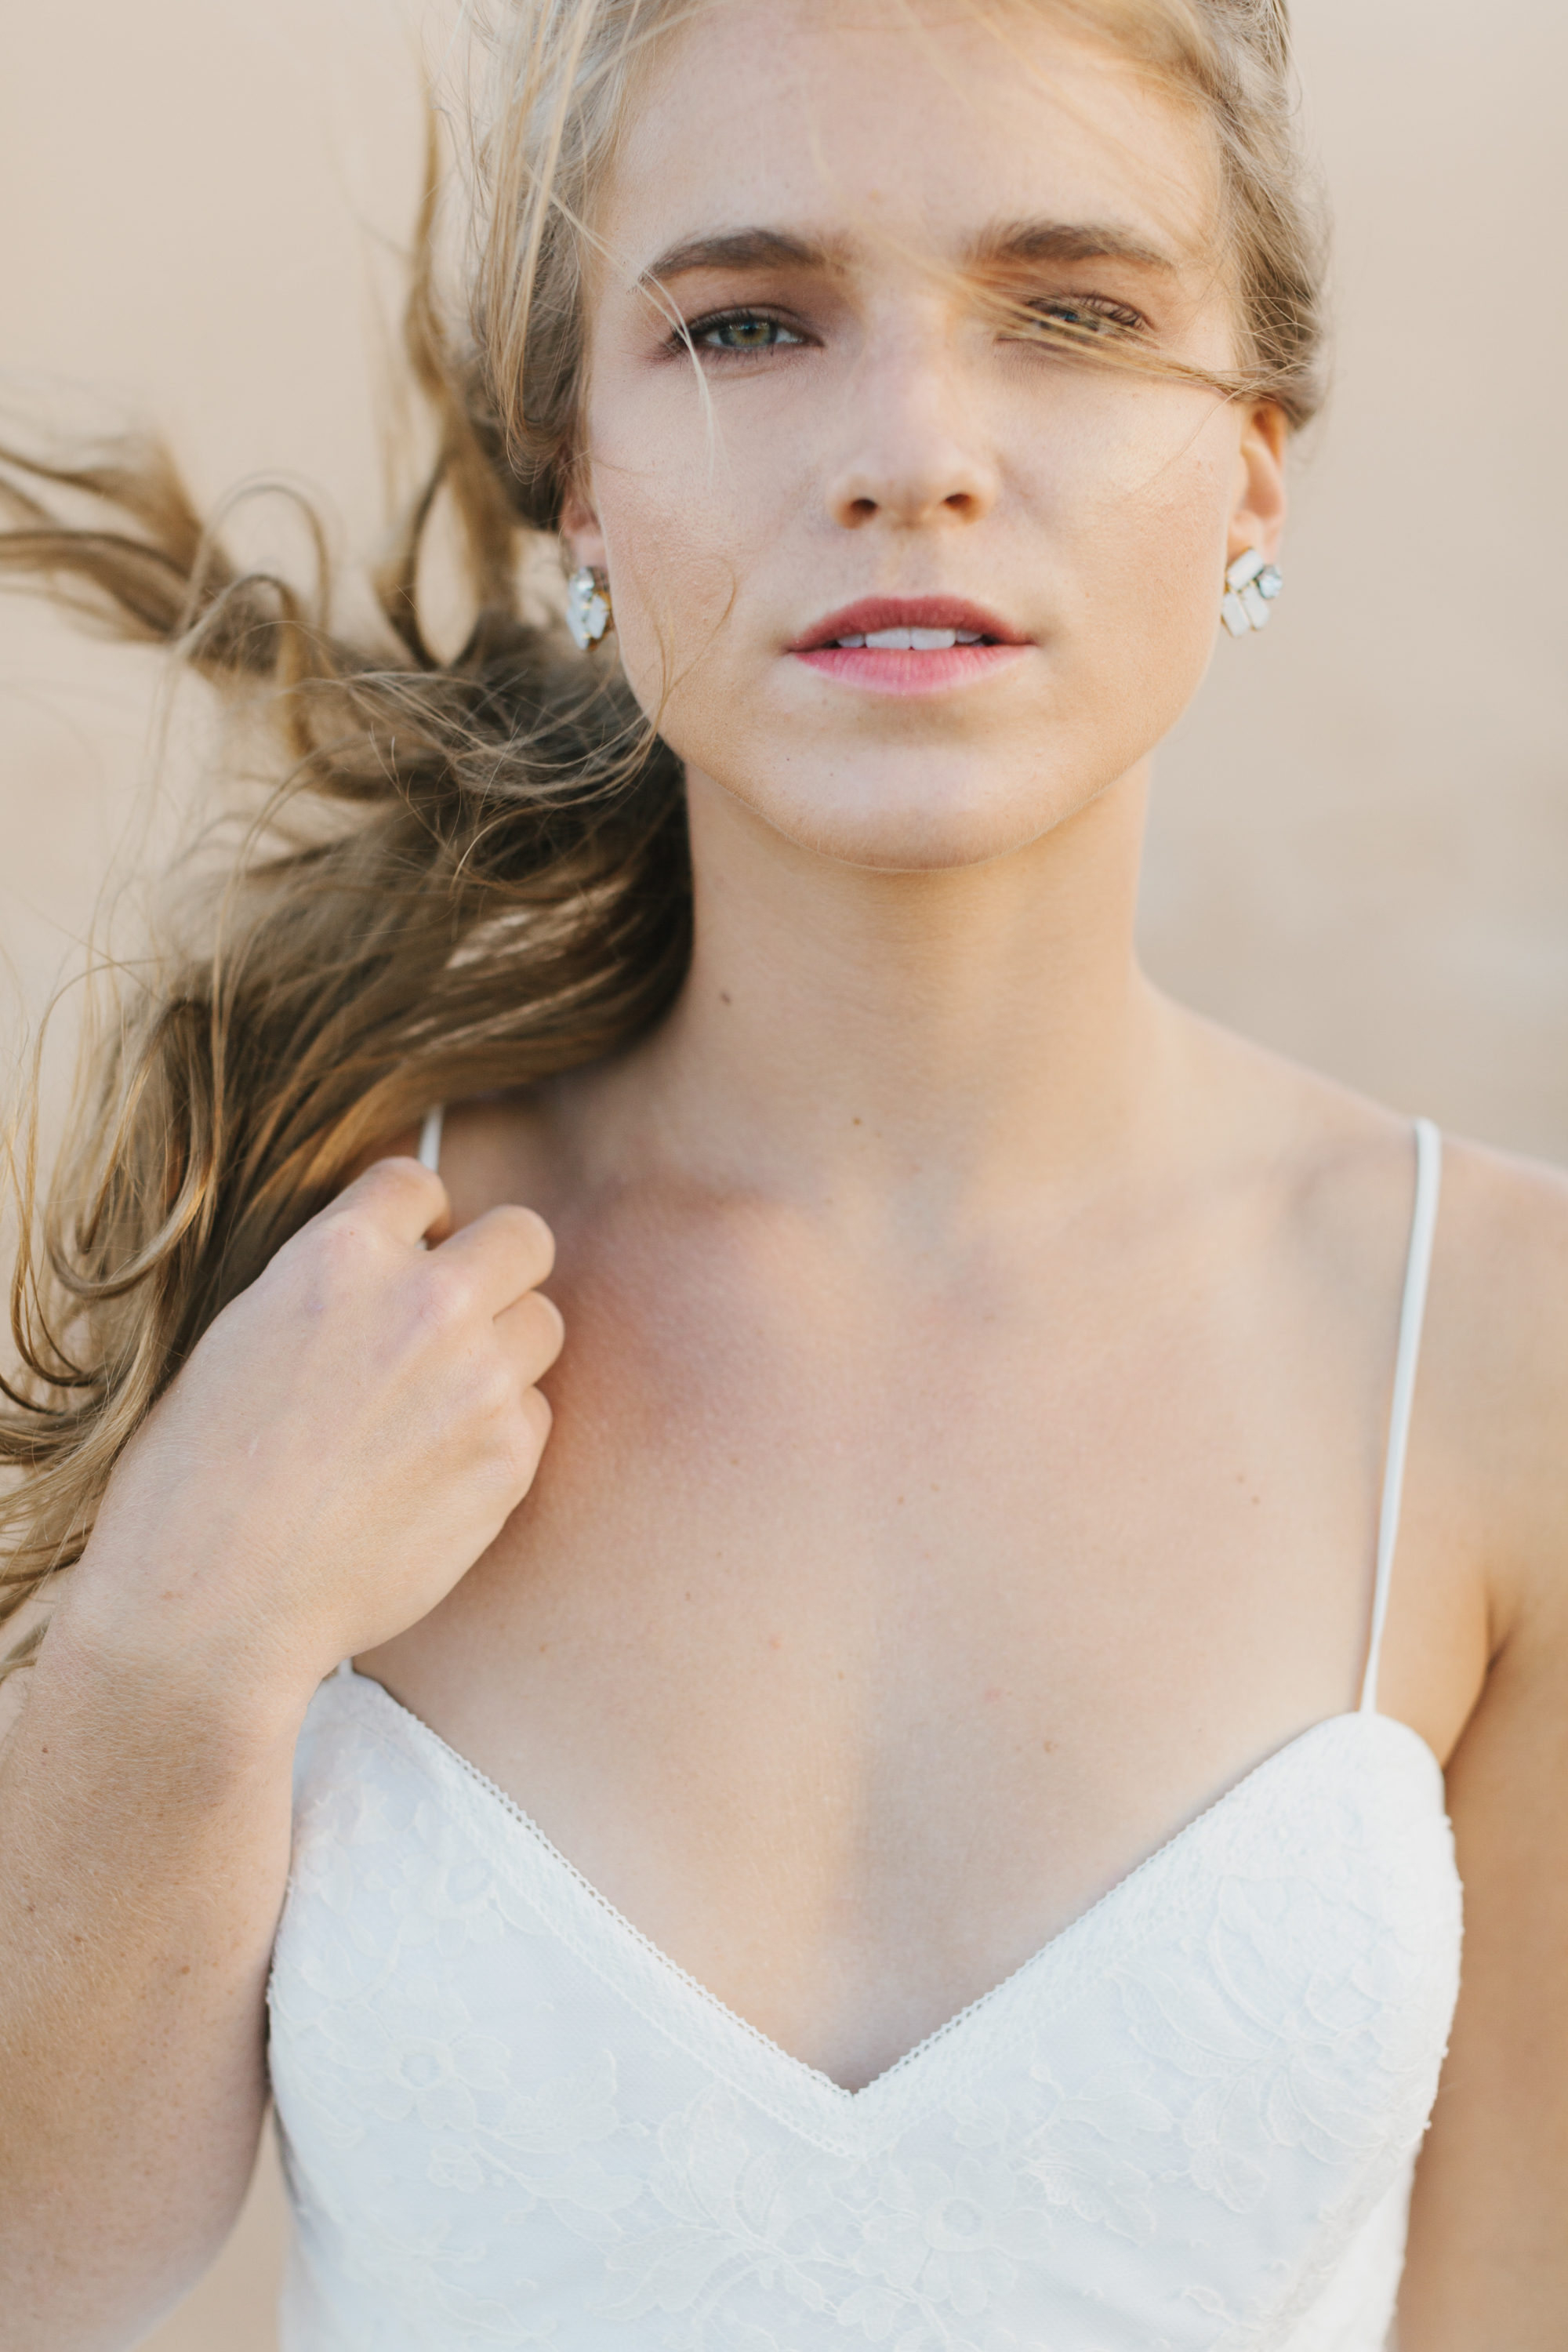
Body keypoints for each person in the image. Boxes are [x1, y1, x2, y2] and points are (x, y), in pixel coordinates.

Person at [2, 0, 1565, 2344]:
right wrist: (172, 1651)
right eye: (748, 320)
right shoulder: (336, 1252)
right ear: (584, 491)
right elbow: (45, 2260)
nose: (914, 449)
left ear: (1251, 476)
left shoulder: (1507, 1345)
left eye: (1071, 314)